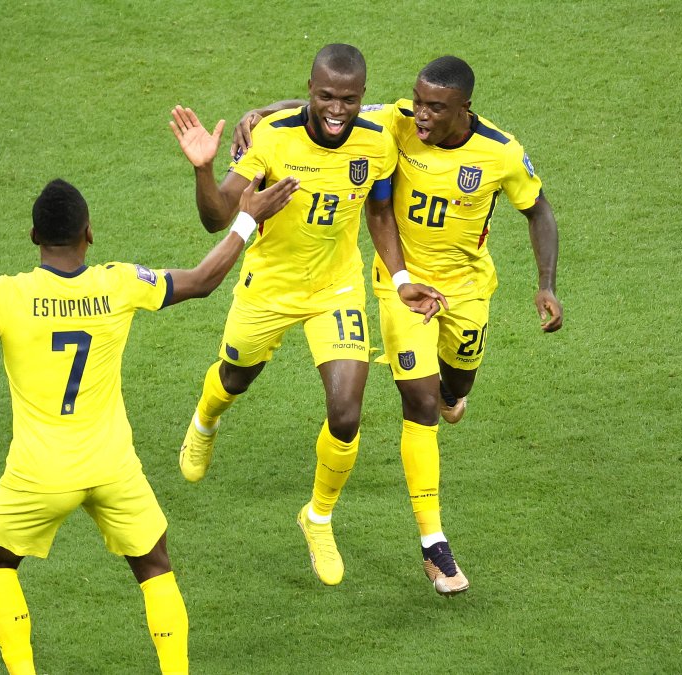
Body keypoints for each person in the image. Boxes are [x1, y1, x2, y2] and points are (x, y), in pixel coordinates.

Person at [0, 176, 297, 674]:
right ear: (89, 232)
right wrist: (246, 218)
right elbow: (202, 281)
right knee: (154, 564)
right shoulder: (118, 283)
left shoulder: (3, 296)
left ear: (33, 237)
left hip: (40, 474)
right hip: (114, 468)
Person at [232, 55, 563, 596]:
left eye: (436, 108)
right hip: (400, 282)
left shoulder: (502, 152)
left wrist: (546, 283)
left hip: (467, 290)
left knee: (453, 392)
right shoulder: (399, 121)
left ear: (464, 109)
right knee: (420, 402)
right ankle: (434, 545)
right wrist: (260, 111)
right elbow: (330, 109)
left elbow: (539, 210)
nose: (421, 115)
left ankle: (455, 393)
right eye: (418, 101)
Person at [167, 43, 445, 587]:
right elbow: (216, 216)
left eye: (348, 99)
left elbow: (381, 210)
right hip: (268, 286)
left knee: (347, 412)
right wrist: (204, 170)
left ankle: (318, 517)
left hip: (335, 289)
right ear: (310, 92)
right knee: (234, 377)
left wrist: (404, 279)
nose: (337, 109)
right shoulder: (271, 138)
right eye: (325, 97)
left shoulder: (377, 141)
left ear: (362, 98)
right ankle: (206, 418)